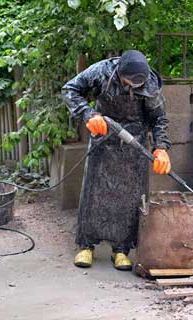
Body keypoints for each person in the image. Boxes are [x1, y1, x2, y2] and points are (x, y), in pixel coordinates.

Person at [61, 50, 171, 270]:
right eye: (128, 83)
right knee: (94, 192)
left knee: (131, 196)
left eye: (136, 85)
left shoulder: (149, 82)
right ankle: (86, 245)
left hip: (135, 143)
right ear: (119, 72)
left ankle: (121, 249)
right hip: (104, 135)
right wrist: (87, 114)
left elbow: (159, 117)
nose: (132, 87)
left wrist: (161, 148)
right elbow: (69, 89)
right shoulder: (102, 71)